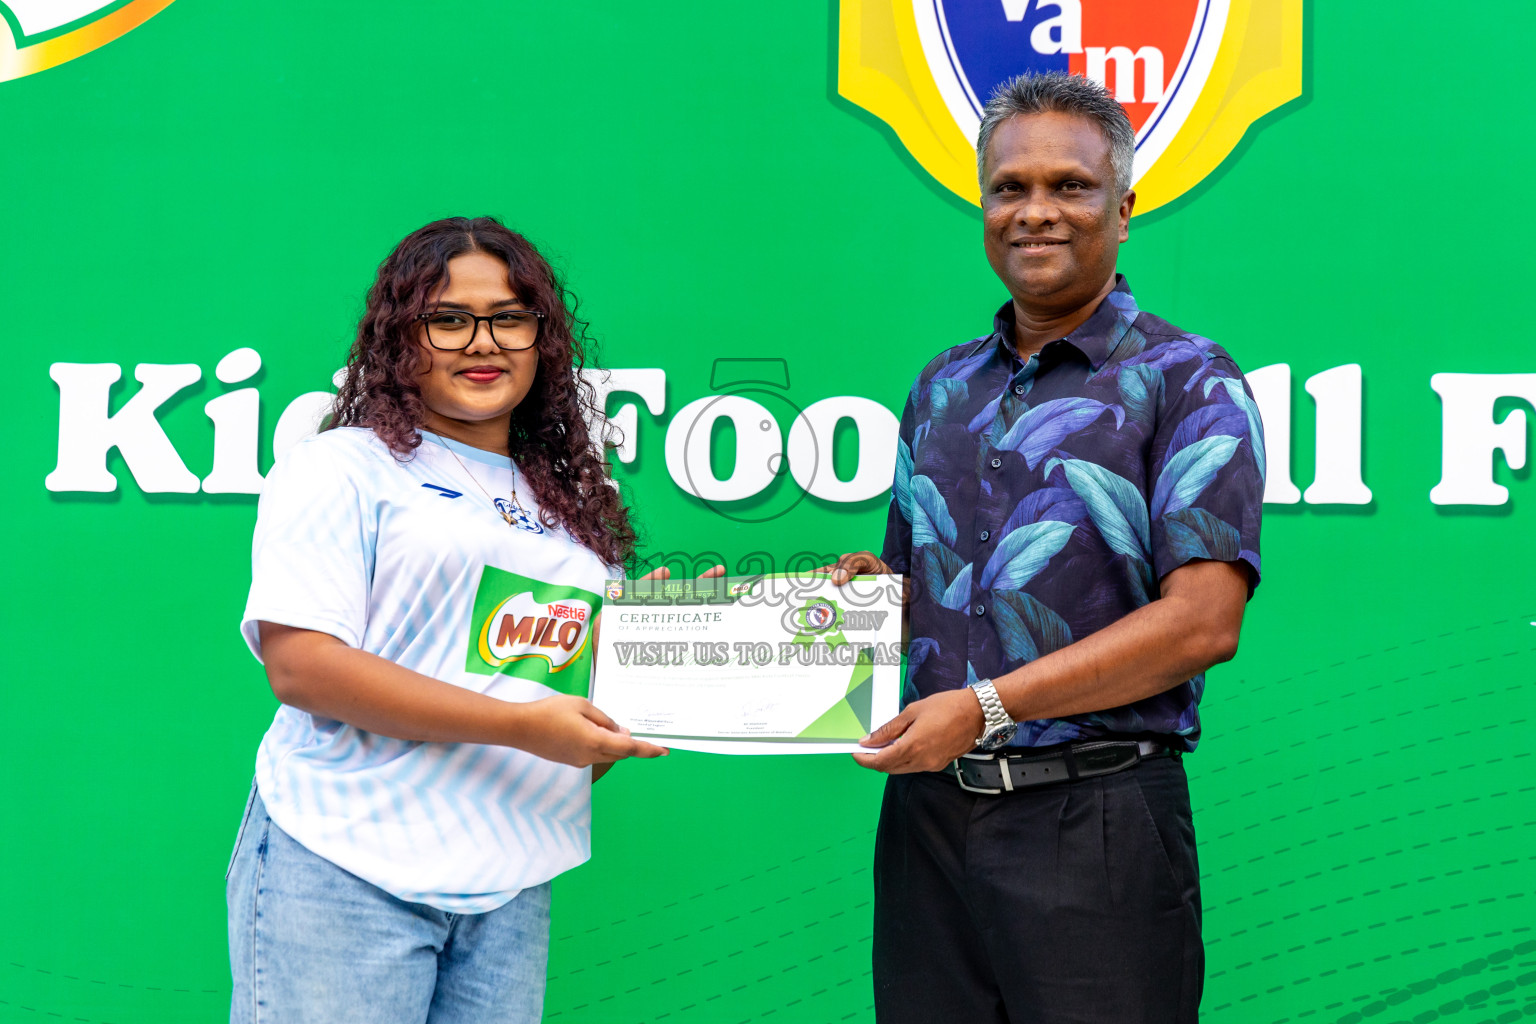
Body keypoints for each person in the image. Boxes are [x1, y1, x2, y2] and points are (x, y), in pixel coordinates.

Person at [822, 73, 1265, 1023]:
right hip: (928, 824)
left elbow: (1201, 625)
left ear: (1125, 207)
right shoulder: (942, 387)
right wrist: (862, 600)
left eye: (1071, 186)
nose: (1037, 213)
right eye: (1009, 188)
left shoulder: (1190, 381)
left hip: (1095, 824)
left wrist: (983, 709)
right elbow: (921, 591)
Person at [226, 216, 714, 1023]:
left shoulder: (567, 507)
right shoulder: (340, 465)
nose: (481, 342)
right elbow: (302, 666)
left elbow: (567, 715)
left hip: (508, 881)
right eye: (448, 318)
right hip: (348, 861)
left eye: (509, 317)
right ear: (399, 336)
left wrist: (670, 653)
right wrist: (522, 726)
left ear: (542, 339)